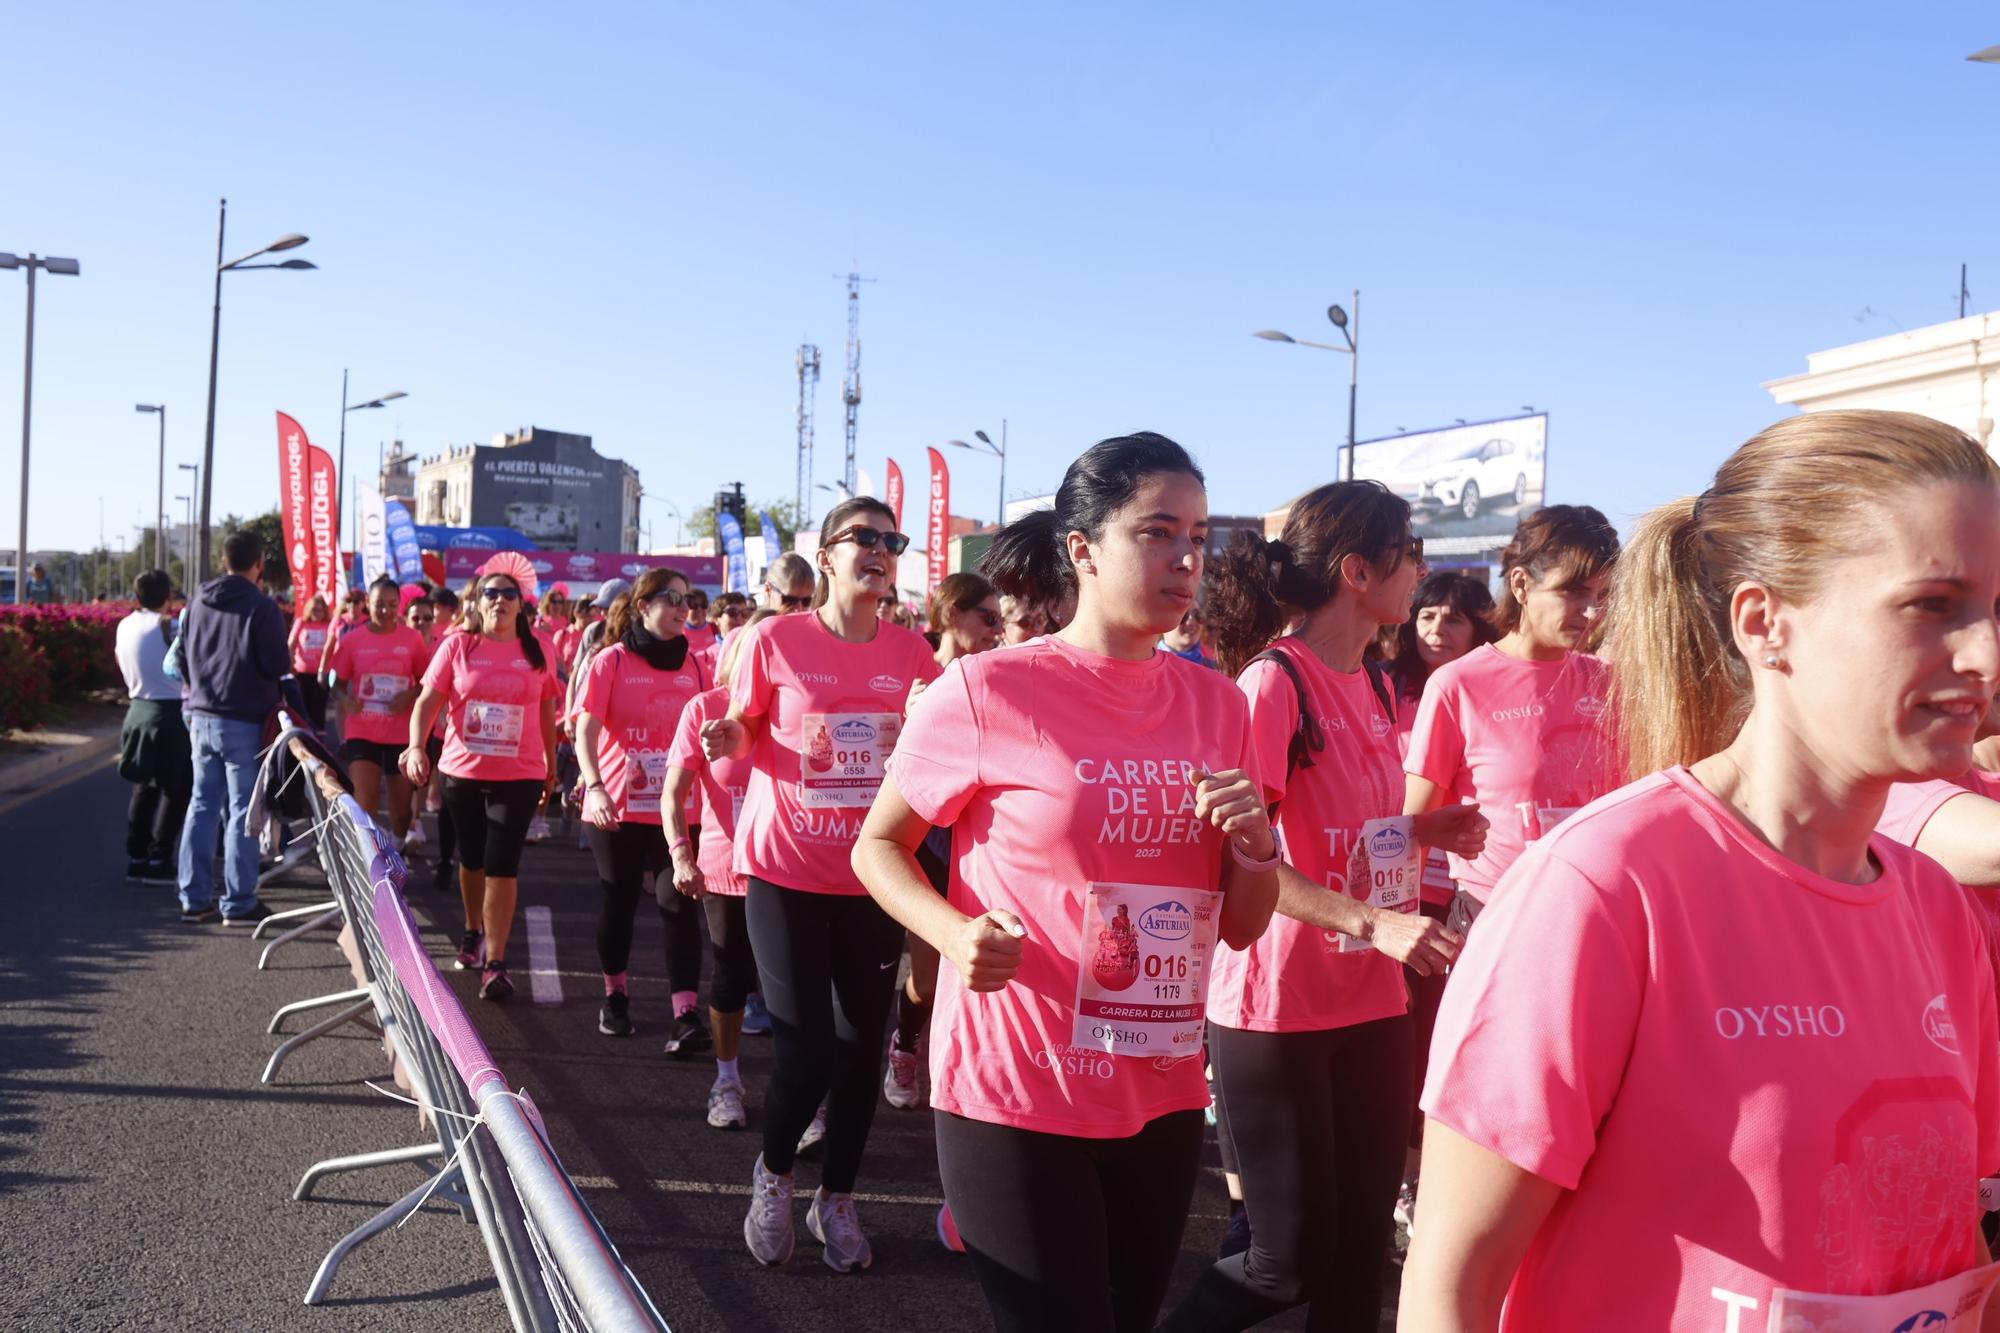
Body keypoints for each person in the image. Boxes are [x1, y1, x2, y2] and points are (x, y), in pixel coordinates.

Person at [1400, 410, 2000, 1328]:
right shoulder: (1604, 888)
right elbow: (1450, 1289)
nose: (1986, 655)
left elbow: (1950, 1257)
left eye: (1994, 608)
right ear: (1766, 622)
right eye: (1932, 605)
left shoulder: (1939, 911)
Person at [851, 433, 1281, 1332]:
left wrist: (1255, 848)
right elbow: (878, 848)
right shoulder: (986, 688)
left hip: (1160, 1085)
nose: (1188, 557)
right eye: (1159, 532)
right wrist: (954, 933)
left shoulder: (1218, 702)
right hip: (1018, 1083)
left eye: (1199, 535)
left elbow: (1241, 927)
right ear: (1082, 549)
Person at [1157, 482, 1479, 1331]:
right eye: (1409, 553)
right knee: (1285, 1259)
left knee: (1358, 1254)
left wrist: (1423, 826)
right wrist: (1374, 921)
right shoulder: (1274, 682)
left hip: (1370, 999)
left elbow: (1347, 829)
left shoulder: (1373, 682)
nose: (1421, 570)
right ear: (1356, 570)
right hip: (1277, 1012)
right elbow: (1247, 858)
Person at [700, 495, 942, 1273]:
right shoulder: (775, 638)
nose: (880, 550)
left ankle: (835, 1197)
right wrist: (729, 736)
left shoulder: (911, 652)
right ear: (829, 553)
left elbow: (947, 731)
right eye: (863, 538)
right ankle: (773, 1172)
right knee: (805, 1050)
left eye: (891, 540)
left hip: (873, 876)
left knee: (858, 1050)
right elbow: (743, 727)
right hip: (784, 870)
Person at [1402, 506, 1620, 936]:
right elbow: (1413, 831)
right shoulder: (1458, 684)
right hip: (1495, 919)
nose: (1592, 611)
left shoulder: (1610, 682)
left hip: (1600, 919)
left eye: (1604, 594)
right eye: (1574, 591)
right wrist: (1393, 931)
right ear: (1521, 584)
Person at [403, 569, 561, 1002]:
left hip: (520, 773)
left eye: (509, 594)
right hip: (463, 772)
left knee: (501, 863)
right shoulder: (458, 645)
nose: (500, 600)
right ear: (478, 602)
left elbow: (547, 708)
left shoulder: (538, 649)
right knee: (470, 861)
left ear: (521, 604)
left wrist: (549, 764)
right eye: (491, 593)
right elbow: (426, 704)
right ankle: (473, 929)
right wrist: (418, 747)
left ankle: (496, 960)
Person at [575, 567, 714, 1051]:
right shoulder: (610, 661)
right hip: (617, 805)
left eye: (686, 598)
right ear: (642, 606)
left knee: (679, 905)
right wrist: (593, 787)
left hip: (677, 808)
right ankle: (615, 996)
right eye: (670, 597)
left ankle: (686, 1013)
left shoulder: (696, 667)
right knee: (619, 903)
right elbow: (585, 732)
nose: (681, 606)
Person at [883, 571, 1005, 1112]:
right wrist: (913, 721)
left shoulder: (1000, 675)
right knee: (930, 981)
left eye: (1003, 619)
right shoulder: (919, 672)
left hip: (985, 848)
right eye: (989, 618)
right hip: (928, 846)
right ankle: (906, 1041)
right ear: (953, 614)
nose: (999, 631)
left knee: (990, 975)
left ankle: (968, 1085)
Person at [665, 608, 777, 1130]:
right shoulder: (704, 709)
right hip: (727, 866)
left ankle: (799, 1096)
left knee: (791, 985)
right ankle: (727, 1080)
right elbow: (675, 792)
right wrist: (680, 853)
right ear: (732, 656)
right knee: (731, 974)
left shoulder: (794, 709)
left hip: (790, 866)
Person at [176, 530, 289, 925]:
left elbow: (182, 659)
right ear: (259, 563)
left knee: (202, 805)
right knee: (244, 811)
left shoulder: (197, 602)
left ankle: (193, 897)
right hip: (243, 720)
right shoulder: (263, 607)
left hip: (200, 717)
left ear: (225, 560)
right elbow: (276, 664)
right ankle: (238, 901)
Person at [328, 576, 430, 845]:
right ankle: (373, 857)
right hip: (363, 729)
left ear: (399, 605)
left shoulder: (412, 639)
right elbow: (334, 682)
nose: (385, 611)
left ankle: (396, 846)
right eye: (378, 604)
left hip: (400, 733)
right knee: (366, 797)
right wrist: (344, 699)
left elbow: (427, 682)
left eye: (391, 604)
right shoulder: (353, 640)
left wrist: (409, 694)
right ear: (366, 605)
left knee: (400, 811)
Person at [115, 569, 190, 886]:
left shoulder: (124, 625)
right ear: (168, 597)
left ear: (136, 596)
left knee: (144, 787)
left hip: (137, 709)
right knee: (177, 788)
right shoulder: (170, 626)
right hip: (171, 712)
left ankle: (137, 858)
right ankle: (161, 859)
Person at [288, 594, 335, 730]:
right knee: (302, 709)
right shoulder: (301, 623)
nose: (317, 613)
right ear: (309, 610)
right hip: (301, 673)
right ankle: (303, 736)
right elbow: (291, 644)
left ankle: (319, 738)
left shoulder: (328, 625)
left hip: (321, 674)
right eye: (314, 609)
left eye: (320, 610)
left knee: (318, 709)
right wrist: (290, 663)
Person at [1160, 602, 1215, 667]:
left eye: (1197, 615)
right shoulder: (1148, 662)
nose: (1191, 622)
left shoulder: (1217, 665)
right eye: (1182, 615)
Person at [683, 588, 720, 653]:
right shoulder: (678, 632)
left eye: (703, 605)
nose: (699, 610)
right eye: (694, 606)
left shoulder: (715, 629)